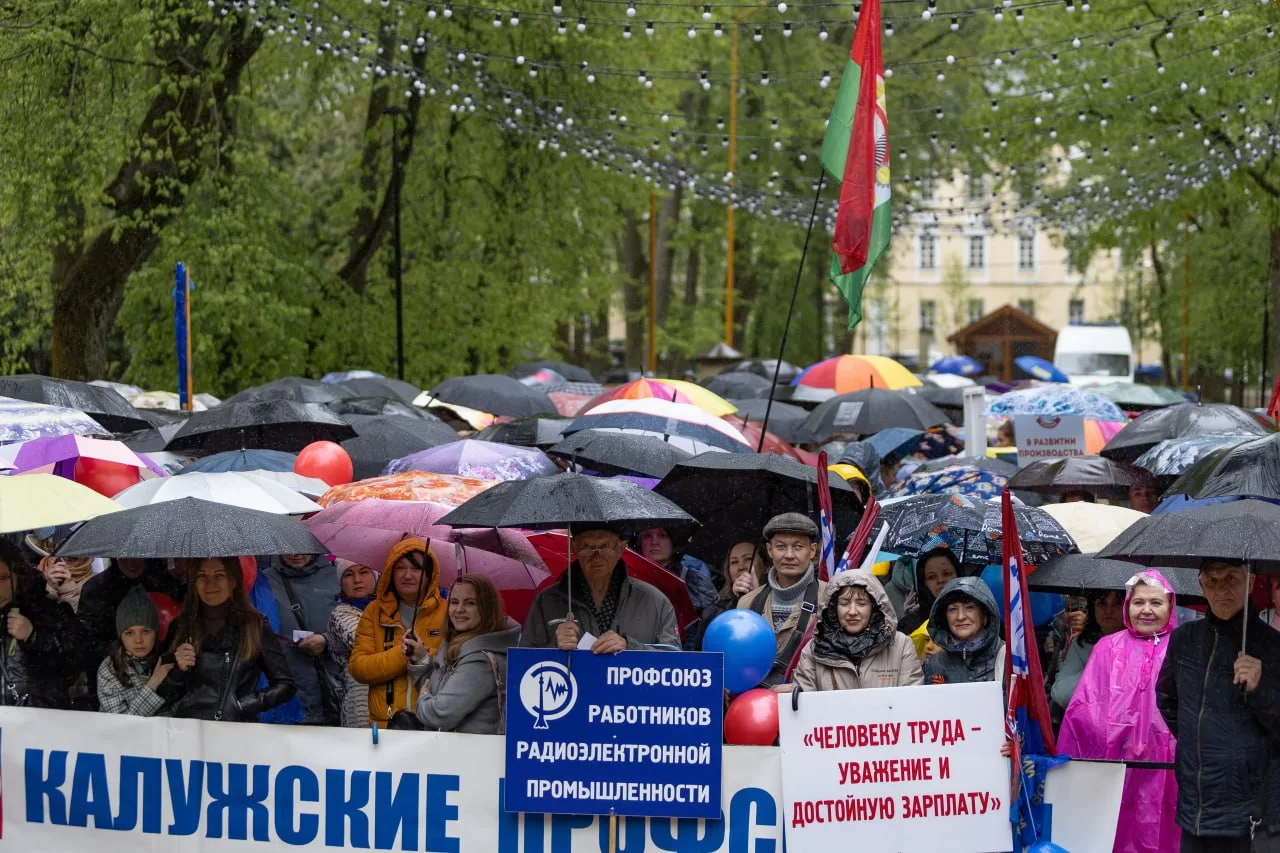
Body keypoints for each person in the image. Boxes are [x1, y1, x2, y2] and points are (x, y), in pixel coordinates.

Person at [1156, 561, 1280, 852]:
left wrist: (1260, 688)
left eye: (1231, 579)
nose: (1221, 589)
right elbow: (1167, 699)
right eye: (1212, 580)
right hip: (1195, 806)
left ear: (1250, 583)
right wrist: (1196, 743)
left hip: (1250, 812)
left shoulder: (1273, 646)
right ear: (1201, 585)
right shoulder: (1184, 639)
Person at [1059, 572, 1181, 853]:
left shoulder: (1182, 646)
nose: (1146, 610)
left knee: (1166, 831)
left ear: (1170, 606)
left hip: (1169, 764)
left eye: (1155, 603)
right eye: (1139, 602)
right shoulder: (1107, 647)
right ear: (1129, 606)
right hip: (1116, 760)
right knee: (1116, 830)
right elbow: (1085, 707)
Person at [163, 557, 296, 722]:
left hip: (236, 729)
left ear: (233, 581)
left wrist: (241, 706)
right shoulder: (181, 627)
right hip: (189, 728)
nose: (210, 583)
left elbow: (285, 685)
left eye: (219, 575)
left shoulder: (254, 626)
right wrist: (178, 671)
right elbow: (164, 693)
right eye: (202, 576)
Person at [521, 524, 678, 652]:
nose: (596, 556)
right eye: (587, 546)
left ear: (621, 547)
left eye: (605, 546)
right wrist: (554, 647)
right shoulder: (547, 601)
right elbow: (523, 664)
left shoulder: (655, 601)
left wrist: (630, 647)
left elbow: (675, 664)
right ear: (574, 547)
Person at [348, 538, 447, 727]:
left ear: (429, 574)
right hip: (386, 725)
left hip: (434, 726)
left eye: (416, 568)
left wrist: (423, 656)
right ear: (390, 573)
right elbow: (359, 668)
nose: (407, 575)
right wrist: (401, 656)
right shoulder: (374, 611)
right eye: (400, 568)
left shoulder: (448, 612)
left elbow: (454, 664)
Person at [410, 576, 519, 734]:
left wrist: (423, 700)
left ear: (487, 608)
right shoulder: (455, 645)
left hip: (470, 749)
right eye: (454, 602)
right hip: (450, 747)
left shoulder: (480, 661)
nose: (459, 609)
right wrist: (422, 661)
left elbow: (441, 714)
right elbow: (436, 692)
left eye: (470, 603)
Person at [792, 569, 923, 692]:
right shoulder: (814, 650)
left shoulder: (901, 646)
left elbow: (911, 701)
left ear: (874, 607)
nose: (852, 612)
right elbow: (805, 705)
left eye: (861, 603)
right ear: (833, 608)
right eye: (844, 603)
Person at [738, 513, 827, 689]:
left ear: (812, 550)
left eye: (798, 547)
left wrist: (803, 688)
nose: (789, 555)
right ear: (769, 549)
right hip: (754, 703)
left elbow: (841, 669)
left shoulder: (830, 599)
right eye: (781, 547)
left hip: (808, 705)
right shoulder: (748, 603)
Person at [261, 552, 340, 725]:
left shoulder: (336, 577)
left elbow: (357, 628)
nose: (295, 554)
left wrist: (327, 640)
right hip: (285, 692)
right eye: (288, 549)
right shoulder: (264, 581)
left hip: (331, 690)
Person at [0, 540, 78, 708]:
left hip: (42, 715)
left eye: (3, 578)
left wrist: (34, 636)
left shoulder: (51, 610)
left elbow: (74, 666)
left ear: (18, 575)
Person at [96, 587, 173, 717]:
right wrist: (154, 682)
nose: (138, 640)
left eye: (146, 631)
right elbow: (121, 722)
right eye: (129, 633)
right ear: (121, 636)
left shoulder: (166, 660)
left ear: (155, 632)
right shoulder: (110, 669)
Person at [1049, 589, 1126, 713]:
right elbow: (1061, 694)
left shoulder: (1141, 644)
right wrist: (1099, 666)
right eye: (1102, 604)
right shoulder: (1082, 644)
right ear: (1093, 609)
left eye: (1117, 604)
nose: (1108, 611)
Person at [922, 576, 1005, 685]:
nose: (960, 617)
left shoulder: (1009, 658)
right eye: (953, 609)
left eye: (969, 607)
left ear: (985, 615)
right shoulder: (933, 665)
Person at [327, 559, 378, 728]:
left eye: (364, 572)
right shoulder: (341, 614)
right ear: (341, 583)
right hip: (361, 705)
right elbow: (365, 642)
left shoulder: (390, 608)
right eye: (349, 575)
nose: (357, 580)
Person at [633, 526, 718, 612]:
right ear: (640, 542)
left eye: (663, 535)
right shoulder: (630, 579)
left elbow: (709, 615)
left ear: (673, 542)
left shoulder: (694, 581)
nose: (654, 542)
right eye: (647, 536)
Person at [897, 546, 961, 637]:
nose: (940, 580)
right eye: (932, 577)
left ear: (958, 575)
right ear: (924, 583)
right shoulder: (909, 626)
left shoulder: (974, 615)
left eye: (946, 574)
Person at [25, 532, 96, 612]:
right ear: (54, 547)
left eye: (77, 546)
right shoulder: (33, 576)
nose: (70, 552)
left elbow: (79, 617)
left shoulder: (95, 583)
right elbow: (35, 612)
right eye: (64, 544)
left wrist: (68, 591)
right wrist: (50, 586)